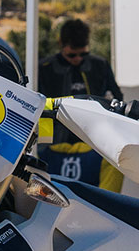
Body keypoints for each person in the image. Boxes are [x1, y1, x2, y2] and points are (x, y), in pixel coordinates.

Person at [35, 17, 119, 183]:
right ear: (61, 44)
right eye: (72, 54)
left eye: (83, 54)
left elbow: (117, 97)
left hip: (93, 143)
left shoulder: (100, 65)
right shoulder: (44, 68)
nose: (78, 59)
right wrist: (44, 146)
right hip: (55, 146)